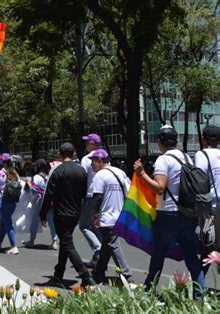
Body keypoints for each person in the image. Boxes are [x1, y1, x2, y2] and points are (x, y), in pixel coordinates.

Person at [133, 125, 205, 299]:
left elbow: (160, 188)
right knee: (191, 259)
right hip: (187, 214)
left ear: (159, 142)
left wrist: (141, 173)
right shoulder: (187, 158)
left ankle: (148, 293)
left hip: (167, 214)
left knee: (158, 255)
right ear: (177, 141)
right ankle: (199, 298)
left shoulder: (163, 160)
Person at [40, 143, 96, 287]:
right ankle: (58, 274)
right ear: (74, 154)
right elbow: (85, 193)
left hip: (61, 213)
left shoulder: (57, 171)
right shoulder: (81, 171)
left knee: (67, 244)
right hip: (75, 212)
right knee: (66, 243)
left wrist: (43, 213)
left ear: (60, 154)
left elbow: (49, 194)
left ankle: (86, 277)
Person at [88, 149, 133, 284]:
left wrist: (95, 215)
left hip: (107, 216)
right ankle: (98, 272)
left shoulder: (100, 175)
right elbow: (129, 192)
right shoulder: (120, 172)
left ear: (101, 161)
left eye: (93, 162)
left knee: (112, 244)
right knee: (107, 245)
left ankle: (127, 275)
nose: (91, 165)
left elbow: (97, 197)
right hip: (120, 215)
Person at [194, 124, 220, 273]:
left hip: (211, 207)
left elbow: (199, 181)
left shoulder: (202, 155)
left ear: (203, 140)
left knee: (208, 245)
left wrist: (202, 209)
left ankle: (198, 285)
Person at [21, 159, 59, 249]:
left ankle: (31, 240)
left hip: (39, 201)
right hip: (49, 201)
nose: (34, 167)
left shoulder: (37, 177)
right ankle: (54, 241)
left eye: (35, 165)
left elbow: (33, 192)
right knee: (51, 221)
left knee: (35, 220)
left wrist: (28, 183)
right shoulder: (47, 176)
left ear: (38, 166)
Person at [79, 133, 103, 268]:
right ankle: (99, 256)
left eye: (88, 142)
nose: (86, 145)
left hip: (89, 195)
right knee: (97, 225)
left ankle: (97, 247)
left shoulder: (87, 159)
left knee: (83, 225)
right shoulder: (104, 157)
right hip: (102, 195)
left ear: (93, 144)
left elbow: (82, 178)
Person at [0, 153, 21, 254]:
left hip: (3, 200)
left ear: (3, 162)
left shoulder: (0, 173)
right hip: (13, 201)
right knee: (5, 221)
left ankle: (14, 246)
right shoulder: (15, 173)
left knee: (8, 223)